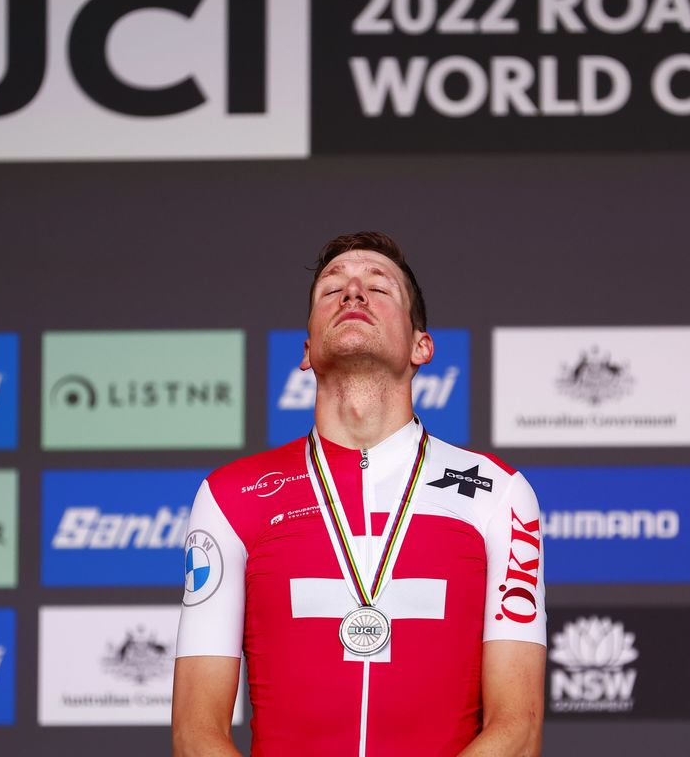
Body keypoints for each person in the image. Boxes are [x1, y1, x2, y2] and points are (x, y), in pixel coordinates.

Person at [173, 232, 546, 756]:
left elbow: (518, 731)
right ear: (306, 349)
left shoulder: (498, 494)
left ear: (422, 345)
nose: (352, 294)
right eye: (332, 289)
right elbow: (196, 735)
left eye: (378, 287)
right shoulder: (231, 497)